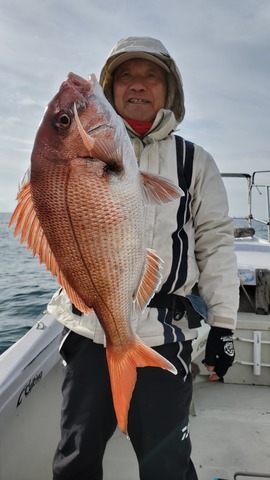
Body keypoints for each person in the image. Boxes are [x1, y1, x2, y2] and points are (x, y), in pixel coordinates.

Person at [47, 37, 239, 480]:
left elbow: (215, 242)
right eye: (127, 75)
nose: (138, 85)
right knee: (76, 460)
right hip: (91, 328)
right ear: (111, 87)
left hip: (164, 333)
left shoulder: (196, 162)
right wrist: (65, 137)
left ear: (168, 90)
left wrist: (225, 325)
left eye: (151, 75)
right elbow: (48, 203)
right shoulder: (75, 154)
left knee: (168, 466)